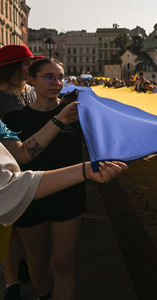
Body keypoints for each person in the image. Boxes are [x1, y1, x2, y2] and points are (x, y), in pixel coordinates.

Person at [3, 58, 85, 300]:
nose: (56, 82)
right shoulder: (13, 118)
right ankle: (44, 295)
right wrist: (60, 119)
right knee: (37, 262)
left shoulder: (78, 112)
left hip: (69, 195)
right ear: (31, 80)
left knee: (62, 264)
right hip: (30, 197)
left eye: (60, 77)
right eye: (48, 77)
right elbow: (22, 156)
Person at [0, 45, 43, 299]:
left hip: (32, 163)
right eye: (27, 64)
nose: (32, 68)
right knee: (10, 226)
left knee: (27, 225)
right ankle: (11, 282)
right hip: (6, 167)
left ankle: (23, 265)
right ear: (13, 68)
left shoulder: (30, 92)